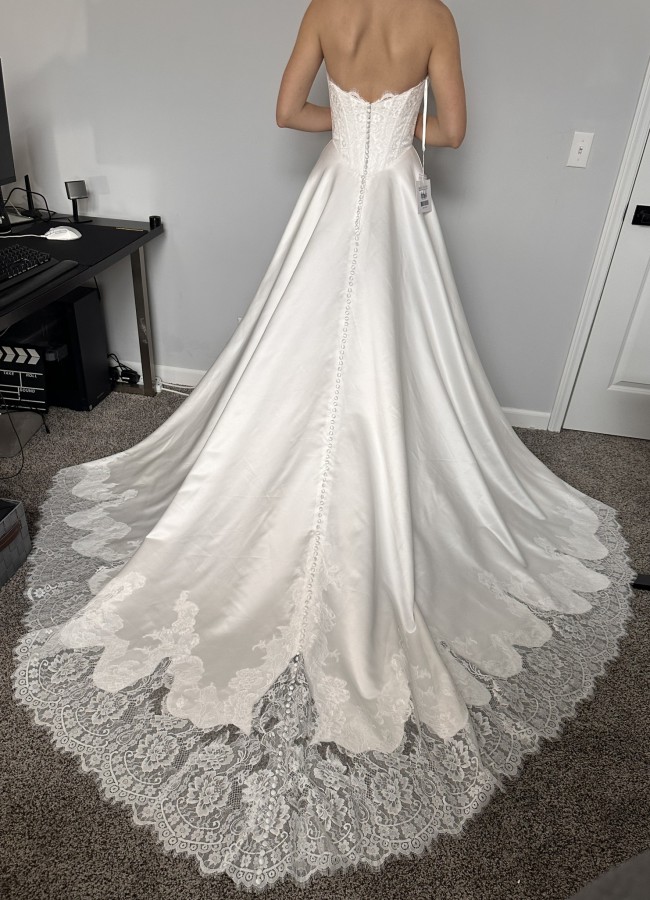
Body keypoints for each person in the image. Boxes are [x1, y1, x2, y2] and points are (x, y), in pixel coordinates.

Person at [13, 0, 636, 891]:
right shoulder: (433, 14)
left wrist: (351, 125)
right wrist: (396, 129)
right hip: (394, 201)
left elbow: (286, 111)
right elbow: (452, 132)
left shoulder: (323, 7)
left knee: (294, 346)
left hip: (335, 191)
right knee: (398, 353)